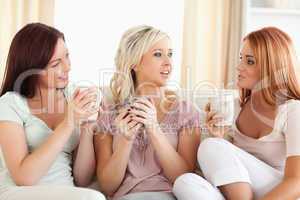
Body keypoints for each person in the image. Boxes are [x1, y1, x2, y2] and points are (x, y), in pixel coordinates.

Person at [173, 27, 300, 200]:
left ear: (272, 67)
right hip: (244, 194)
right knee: (184, 182)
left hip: (280, 193)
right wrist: (219, 136)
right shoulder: (234, 107)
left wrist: (216, 144)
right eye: (241, 58)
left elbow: (296, 181)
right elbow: (231, 169)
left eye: (249, 61)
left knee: (210, 145)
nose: (239, 67)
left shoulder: (292, 111)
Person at [94, 25, 201, 200]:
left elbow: (184, 177)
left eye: (170, 54)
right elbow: (107, 186)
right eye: (158, 54)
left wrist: (153, 128)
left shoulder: (185, 111)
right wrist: (125, 141)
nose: (169, 62)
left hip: (170, 195)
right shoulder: (108, 113)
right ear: (134, 62)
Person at [0, 23, 105, 200]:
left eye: (67, 56)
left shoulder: (73, 95)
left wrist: (88, 125)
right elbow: (24, 177)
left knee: (92, 196)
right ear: (32, 68)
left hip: (66, 192)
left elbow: (82, 179)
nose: (67, 67)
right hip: (18, 192)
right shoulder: (10, 104)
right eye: (56, 63)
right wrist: (69, 122)